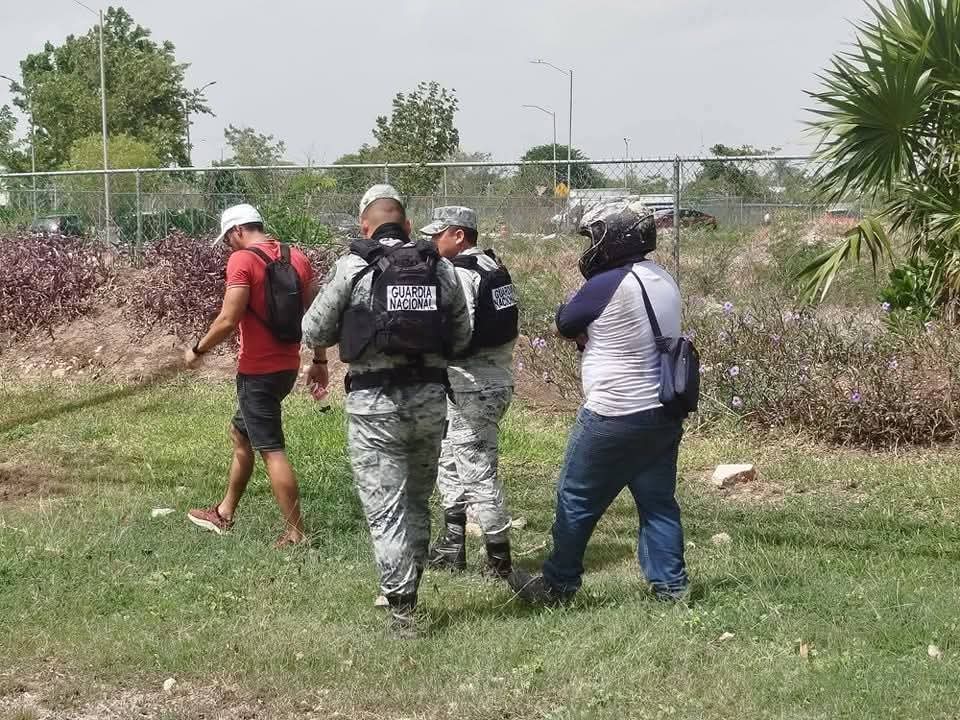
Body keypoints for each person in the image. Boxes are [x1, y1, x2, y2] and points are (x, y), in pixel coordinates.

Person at [301, 185, 471, 638]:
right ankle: (411, 587)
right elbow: (462, 334)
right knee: (416, 501)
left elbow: (313, 329)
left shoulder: (353, 266)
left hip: (374, 407)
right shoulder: (440, 267)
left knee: (386, 510)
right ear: (408, 225)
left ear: (365, 226)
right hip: (430, 403)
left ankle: (403, 611)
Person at [508, 201, 689, 604]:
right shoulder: (662, 277)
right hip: (662, 411)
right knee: (658, 504)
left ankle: (558, 585)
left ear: (614, 240)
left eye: (594, 237)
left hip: (614, 413)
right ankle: (672, 589)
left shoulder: (607, 283)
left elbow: (565, 322)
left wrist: (584, 330)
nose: (591, 246)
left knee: (576, 499)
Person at [185, 203, 315, 548]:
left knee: (272, 450)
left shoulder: (241, 260)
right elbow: (317, 313)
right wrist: (319, 359)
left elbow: (228, 319)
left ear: (238, 230)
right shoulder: (297, 257)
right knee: (240, 433)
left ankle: (296, 534)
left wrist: (197, 350)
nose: (228, 245)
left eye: (228, 238)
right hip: (286, 367)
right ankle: (224, 512)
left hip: (257, 371)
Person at [419, 206, 518, 579]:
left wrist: (430, 348)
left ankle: (499, 560)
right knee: (449, 458)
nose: (433, 241)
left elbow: (463, 333)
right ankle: (452, 544)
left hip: (472, 386)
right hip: (489, 379)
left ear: (459, 235)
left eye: (439, 234)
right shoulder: (492, 266)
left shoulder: (461, 273)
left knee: (477, 471)